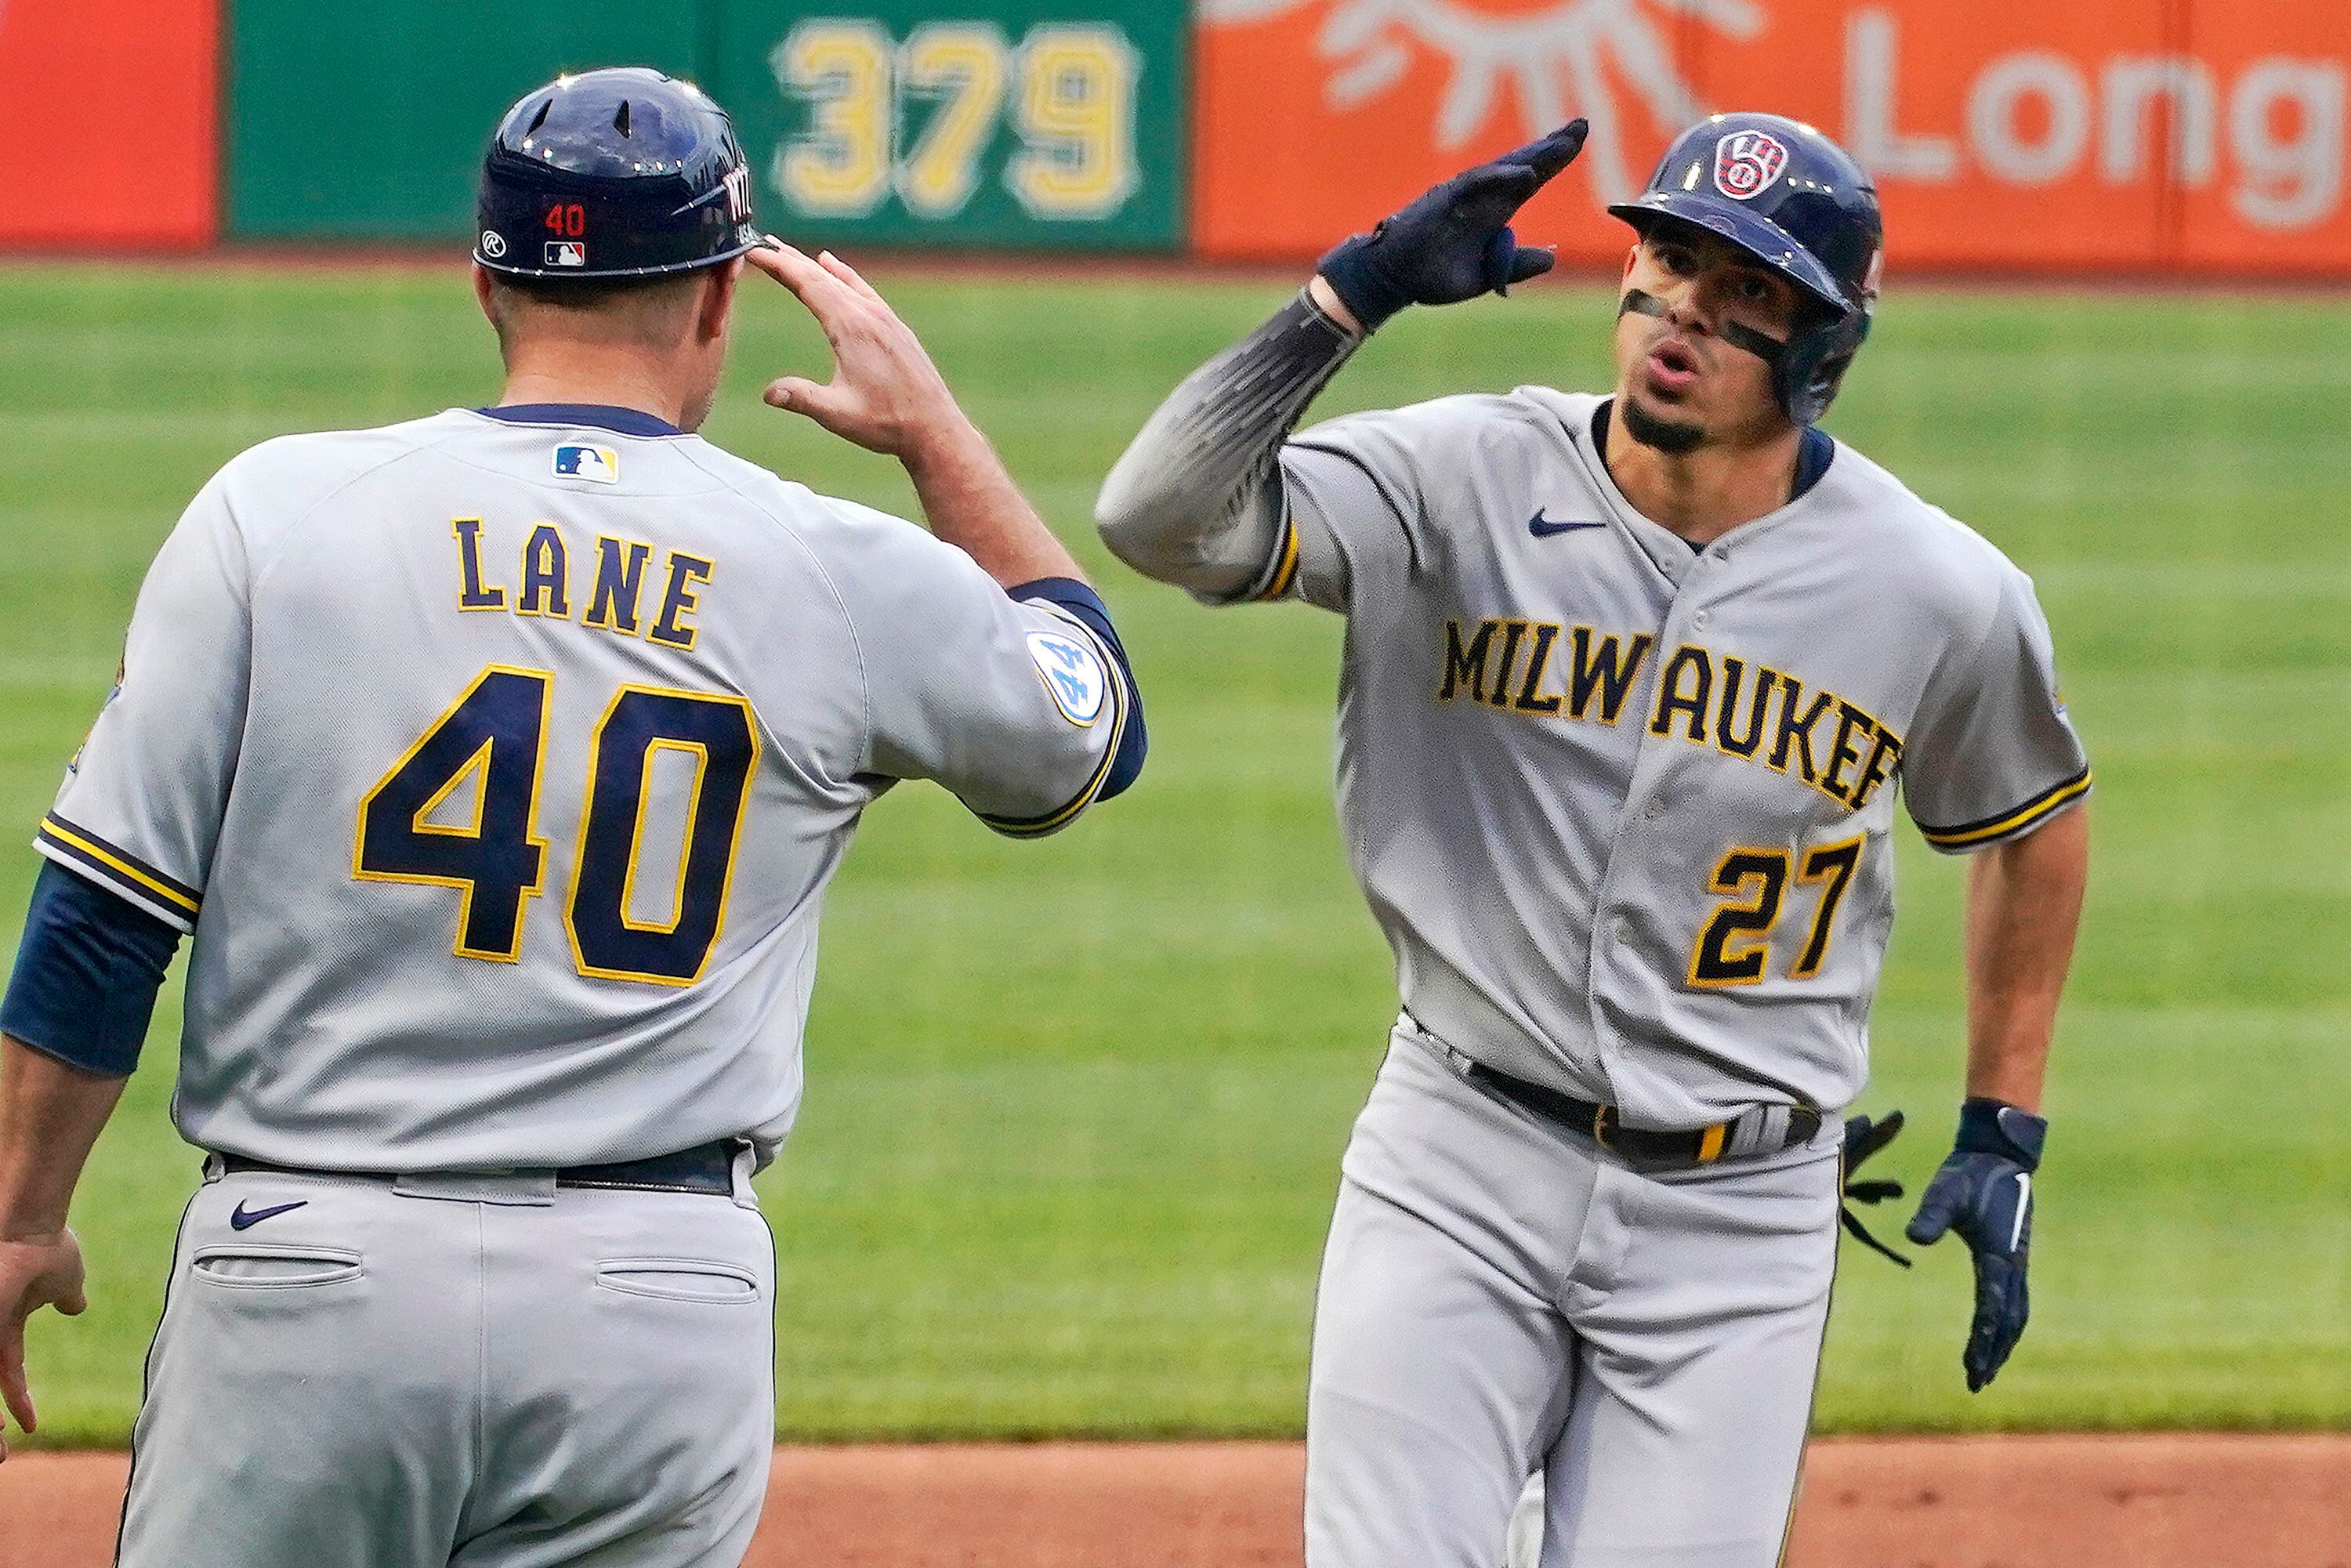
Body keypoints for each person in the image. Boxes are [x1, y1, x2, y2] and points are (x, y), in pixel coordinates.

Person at [0, 65, 1142, 1566]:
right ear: (724, 298)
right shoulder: (837, 567)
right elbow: (1088, 727)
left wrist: (21, 1215)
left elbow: (106, 912)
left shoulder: (276, 513)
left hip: (312, 1286)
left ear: (485, 280)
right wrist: (935, 436)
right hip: (654, 1303)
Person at [1095, 111, 2088, 1567]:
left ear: (1824, 346)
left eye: (1747, 289)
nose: (1686, 307)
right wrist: (1351, 291)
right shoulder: (1461, 478)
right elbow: (1154, 519)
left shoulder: (1934, 590)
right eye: (1671, 258)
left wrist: (2003, 1124)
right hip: (1459, 1157)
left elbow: (2035, 821)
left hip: (1741, 1219)